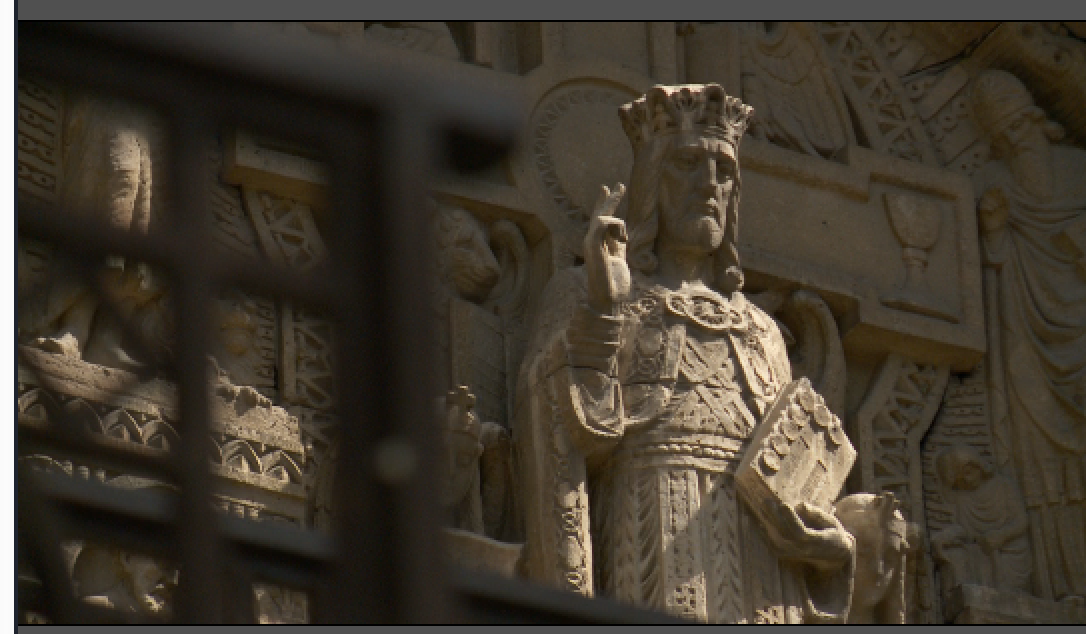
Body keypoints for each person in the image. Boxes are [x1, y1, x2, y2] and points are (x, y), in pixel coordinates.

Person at [514, 84, 854, 623]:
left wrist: (830, 544)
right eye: (688, 163)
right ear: (649, 179)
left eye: (724, 171)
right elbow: (564, 427)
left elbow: (797, 485)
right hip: (652, 528)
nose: (708, 185)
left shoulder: (764, 331)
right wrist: (603, 309)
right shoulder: (591, 294)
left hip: (764, 575)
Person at [971, 69, 1086, 603]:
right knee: (1046, 468)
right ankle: (1064, 585)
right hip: (1027, 335)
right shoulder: (994, 179)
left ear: (1038, 119)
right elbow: (991, 263)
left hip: (1077, 322)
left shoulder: (1079, 168)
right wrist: (994, 228)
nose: (1017, 137)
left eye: (1021, 124)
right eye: (1005, 132)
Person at [931, 445, 1031, 595]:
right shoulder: (962, 498)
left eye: (968, 472)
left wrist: (1001, 536)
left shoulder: (1003, 486)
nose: (966, 479)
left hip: (1011, 550)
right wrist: (948, 535)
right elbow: (967, 532)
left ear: (979, 466)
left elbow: (1021, 522)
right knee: (956, 557)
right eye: (960, 479)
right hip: (982, 551)